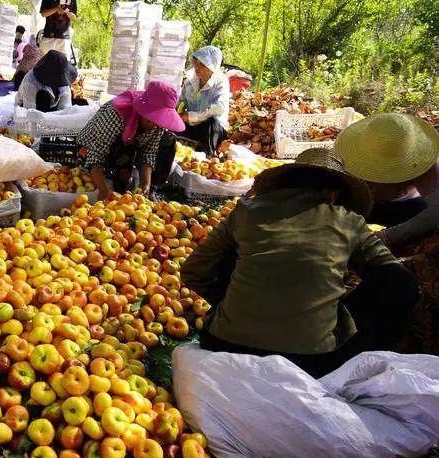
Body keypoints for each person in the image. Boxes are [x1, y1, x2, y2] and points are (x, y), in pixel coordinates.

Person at [181, 148, 420, 379]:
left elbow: (194, 270)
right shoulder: (349, 222)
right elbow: (400, 281)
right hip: (312, 360)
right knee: (393, 284)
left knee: (238, 254)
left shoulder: (246, 211)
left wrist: (229, 302)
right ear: (334, 193)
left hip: (226, 342)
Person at [334, 113, 439, 247]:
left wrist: (387, 237)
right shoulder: (351, 149)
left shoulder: (426, 161)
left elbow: (436, 211)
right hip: (362, 201)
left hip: (404, 209)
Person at [77, 80, 184, 198]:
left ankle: (150, 190)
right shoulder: (116, 114)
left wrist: (146, 185)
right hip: (91, 147)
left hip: (128, 146)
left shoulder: (158, 123)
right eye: (150, 119)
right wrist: (104, 191)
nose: (154, 124)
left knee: (169, 139)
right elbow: (95, 154)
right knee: (113, 177)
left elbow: (149, 153)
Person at [178, 46, 230, 156]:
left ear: (212, 67)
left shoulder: (220, 82)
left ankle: (208, 154)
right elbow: (180, 101)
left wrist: (193, 116)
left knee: (212, 122)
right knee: (175, 124)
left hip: (210, 128)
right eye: (196, 63)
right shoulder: (190, 81)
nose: (197, 67)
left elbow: (218, 108)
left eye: (202, 64)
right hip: (192, 124)